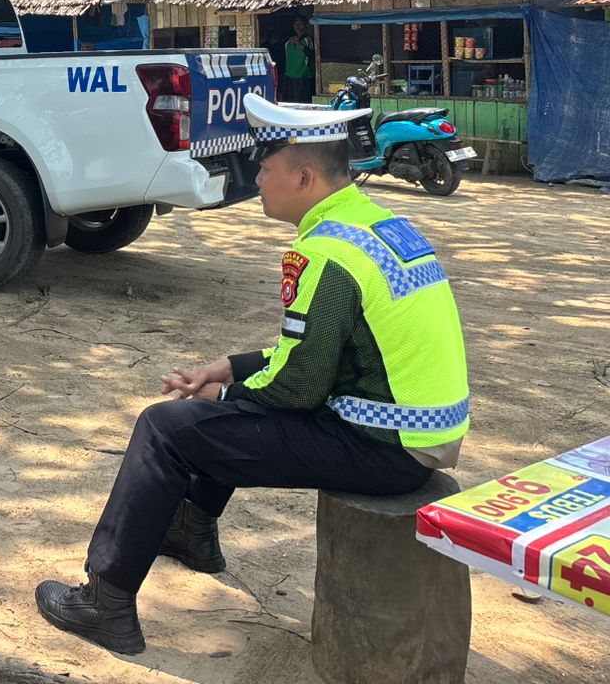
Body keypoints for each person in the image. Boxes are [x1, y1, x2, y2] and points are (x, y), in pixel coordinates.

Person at [35, 92, 469, 655]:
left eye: (267, 169)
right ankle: (192, 531)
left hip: (385, 448)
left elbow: (298, 386)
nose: (258, 179)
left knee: (164, 428)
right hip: (413, 433)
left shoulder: (328, 254)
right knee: (228, 406)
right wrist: (229, 369)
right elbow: (319, 353)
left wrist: (224, 392)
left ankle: (106, 602)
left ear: (304, 177)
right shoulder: (374, 226)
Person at [282, 16, 315, 103]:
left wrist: (300, 44)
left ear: (306, 26)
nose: (298, 26)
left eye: (300, 24)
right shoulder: (288, 42)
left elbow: (312, 55)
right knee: (289, 102)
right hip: (289, 76)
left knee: (301, 102)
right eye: (296, 24)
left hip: (303, 77)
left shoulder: (309, 40)